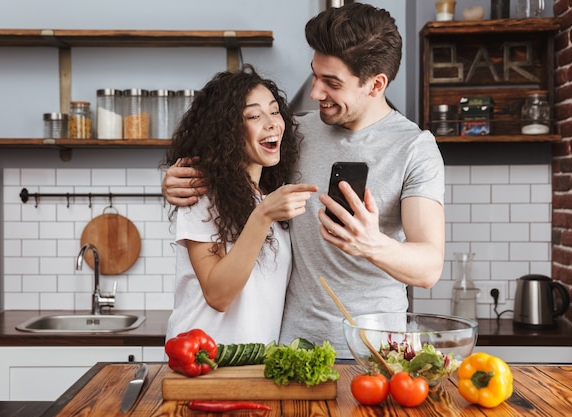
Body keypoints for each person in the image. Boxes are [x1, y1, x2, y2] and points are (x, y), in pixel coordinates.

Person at [162, 3, 445, 358]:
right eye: (315, 75)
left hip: (374, 350)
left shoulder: (415, 148)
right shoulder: (296, 131)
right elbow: (228, 158)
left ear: (375, 85)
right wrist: (177, 178)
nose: (315, 93)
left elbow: (429, 267)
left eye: (332, 83)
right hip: (291, 347)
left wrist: (370, 243)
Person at [163, 64, 318, 345]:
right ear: (227, 131)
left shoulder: (269, 196)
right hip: (201, 361)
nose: (272, 123)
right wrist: (263, 216)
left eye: (274, 111)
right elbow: (218, 295)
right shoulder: (202, 193)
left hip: (254, 365)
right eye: (254, 116)